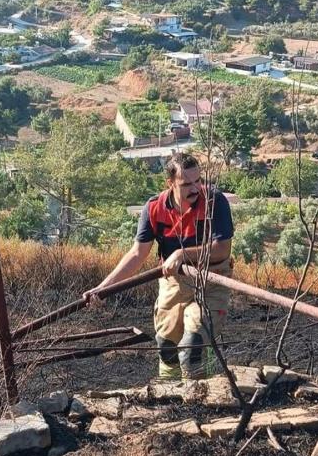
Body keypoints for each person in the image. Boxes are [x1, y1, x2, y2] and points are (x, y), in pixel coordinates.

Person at [86, 153, 233, 380]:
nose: (195, 189)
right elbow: (137, 254)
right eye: (187, 184)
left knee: (192, 347)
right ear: (170, 183)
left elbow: (222, 249)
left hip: (211, 279)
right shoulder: (155, 208)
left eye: (198, 181)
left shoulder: (215, 202)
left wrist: (182, 254)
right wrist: (103, 288)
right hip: (174, 281)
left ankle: (201, 398)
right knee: (166, 347)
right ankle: (169, 396)